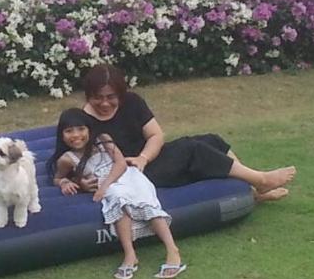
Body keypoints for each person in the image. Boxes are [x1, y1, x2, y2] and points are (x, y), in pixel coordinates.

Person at [78, 65, 295, 202]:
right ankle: (260, 180)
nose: (105, 103)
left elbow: (155, 135)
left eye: (111, 97)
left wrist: (143, 158)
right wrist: (80, 182)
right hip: (129, 176)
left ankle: (251, 190)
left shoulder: (132, 102)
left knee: (212, 140)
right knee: (191, 149)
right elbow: (69, 158)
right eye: (98, 97)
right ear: (89, 96)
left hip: (146, 161)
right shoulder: (81, 122)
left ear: (120, 94)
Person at [48, 108, 185, 279]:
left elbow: (120, 164)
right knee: (117, 200)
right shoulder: (67, 158)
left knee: (144, 201)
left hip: (126, 176)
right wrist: (65, 182)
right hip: (110, 188)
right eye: (69, 131)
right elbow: (58, 178)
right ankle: (130, 254)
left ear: (89, 129)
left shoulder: (103, 140)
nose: (76, 135)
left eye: (81, 129)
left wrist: (104, 186)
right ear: (61, 135)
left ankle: (172, 250)